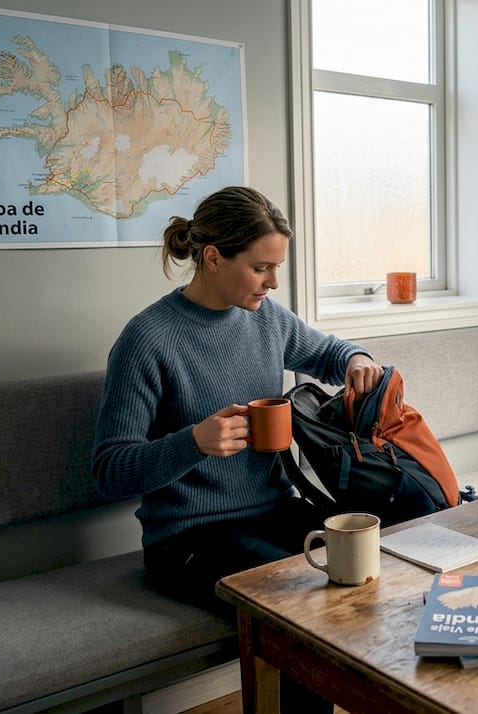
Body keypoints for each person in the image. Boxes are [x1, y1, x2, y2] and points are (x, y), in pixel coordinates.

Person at [91, 186, 379, 711]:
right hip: (186, 537)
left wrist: (357, 358)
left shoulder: (266, 319)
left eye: (277, 267)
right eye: (260, 267)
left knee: (362, 562)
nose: (272, 282)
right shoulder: (147, 339)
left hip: (271, 511)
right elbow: (109, 471)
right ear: (213, 257)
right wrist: (193, 443)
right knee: (298, 608)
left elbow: (330, 351)